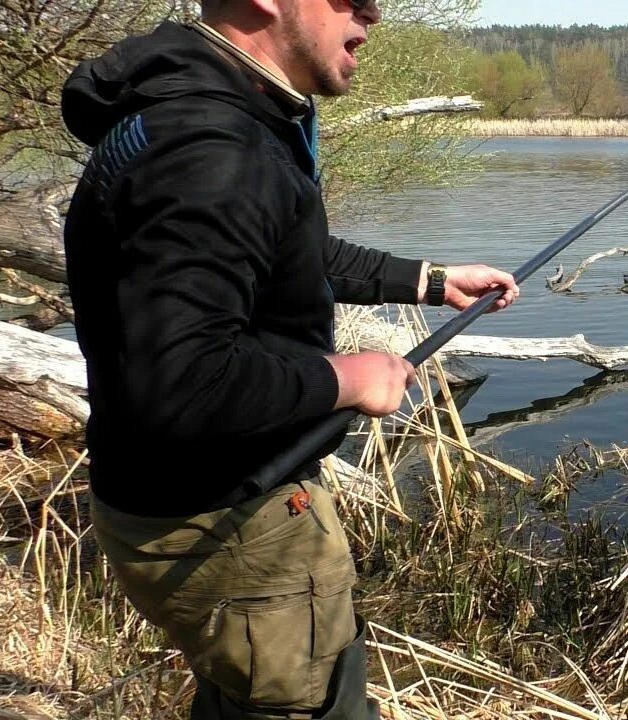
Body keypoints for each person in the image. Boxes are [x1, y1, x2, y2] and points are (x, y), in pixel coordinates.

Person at [59, 0, 517, 715]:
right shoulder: (215, 149)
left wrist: (428, 279)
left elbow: (284, 252)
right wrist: (348, 376)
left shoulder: (190, 105)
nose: (372, 12)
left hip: (172, 495)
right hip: (229, 523)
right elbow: (182, 383)